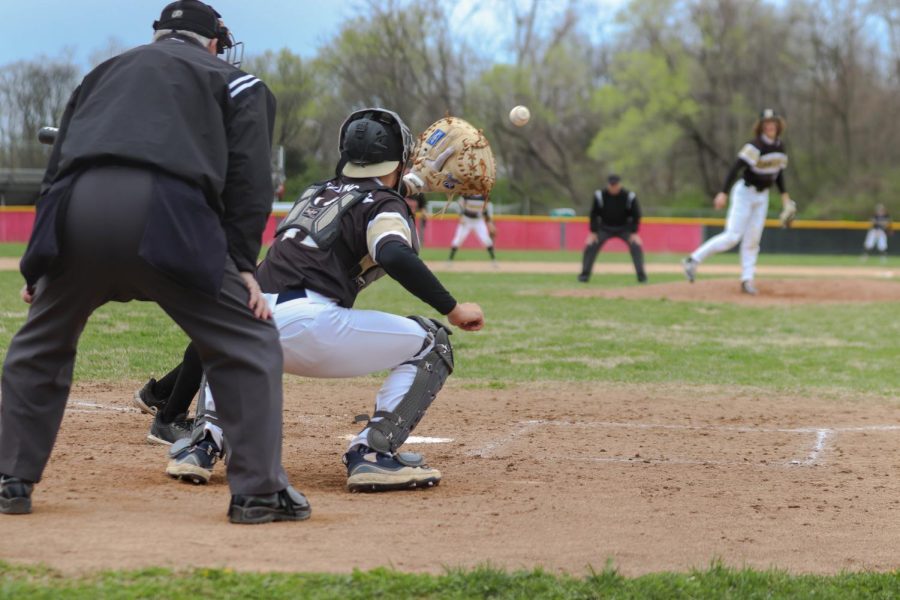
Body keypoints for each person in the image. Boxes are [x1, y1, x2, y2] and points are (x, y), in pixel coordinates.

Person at [0, 0, 311, 525]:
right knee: (248, 343)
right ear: (214, 41)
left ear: (159, 35)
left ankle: (9, 478)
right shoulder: (238, 83)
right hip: (170, 214)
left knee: (42, 343)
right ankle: (259, 493)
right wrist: (240, 264)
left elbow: (56, 172)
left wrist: (39, 263)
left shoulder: (102, 74)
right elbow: (249, 181)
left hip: (79, 209)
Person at [137, 108, 485, 492]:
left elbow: (358, 196)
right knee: (432, 342)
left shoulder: (314, 193)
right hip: (310, 328)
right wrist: (452, 309)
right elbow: (393, 253)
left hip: (245, 321)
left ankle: (202, 445)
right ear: (400, 160)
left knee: (227, 335)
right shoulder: (385, 204)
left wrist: (410, 181)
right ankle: (372, 453)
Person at [682, 109, 794, 295]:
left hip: (762, 196)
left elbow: (778, 173)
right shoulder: (755, 146)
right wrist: (723, 193)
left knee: (753, 239)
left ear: (778, 125)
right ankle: (693, 260)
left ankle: (747, 280)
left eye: (773, 122)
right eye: (766, 123)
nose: (770, 125)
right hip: (745, 193)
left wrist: (785, 198)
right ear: (761, 126)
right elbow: (735, 168)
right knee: (732, 236)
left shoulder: (780, 147)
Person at [578, 174, 646, 283]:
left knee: (636, 246)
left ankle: (642, 277)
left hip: (624, 227)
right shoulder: (599, 195)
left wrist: (634, 232)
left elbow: (636, 215)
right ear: (608, 184)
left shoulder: (629, 196)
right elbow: (594, 214)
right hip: (605, 227)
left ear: (619, 184)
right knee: (591, 246)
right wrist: (593, 232)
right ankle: (584, 276)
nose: (613, 187)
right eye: (611, 185)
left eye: (615, 185)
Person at [447, 194, 497, 266]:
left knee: (487, 240)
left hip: (478, 221)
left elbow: (485, 211)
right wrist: (460, 216)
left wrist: (490, 223)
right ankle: (450, 260)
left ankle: (494, 261)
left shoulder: (484, 196)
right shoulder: (467, 194)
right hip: (466, 220)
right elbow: (459, 204)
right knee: (457, 240)